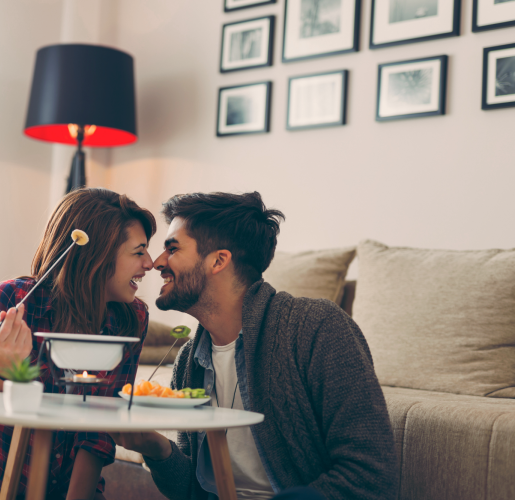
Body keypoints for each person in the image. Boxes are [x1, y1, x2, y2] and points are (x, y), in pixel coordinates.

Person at [111, 192, 398, 500]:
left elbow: (371, 475)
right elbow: (194, 491)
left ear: (218, 261)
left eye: (173, 248)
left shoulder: (316, 328)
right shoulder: (189, 360)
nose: (156, 262)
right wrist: (157, 448)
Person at [0, 188, 156, 500]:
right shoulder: (13, 301)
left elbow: (99, 433)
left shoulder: (131, 319)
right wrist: (2, 364)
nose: (150, 263)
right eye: (138, 252)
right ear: (97, 253)